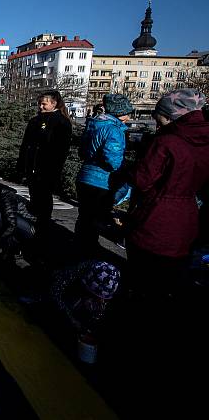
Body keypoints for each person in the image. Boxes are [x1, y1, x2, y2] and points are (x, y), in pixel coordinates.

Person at [125, 89, 209, 300]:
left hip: (155, 218)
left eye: (159, 119)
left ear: (172, 116)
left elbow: (142, 180)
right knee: (168, 284)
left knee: (141, 283)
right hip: (188, 219)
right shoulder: (204, 142)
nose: (158, 125)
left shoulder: (166, 142)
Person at [74, 94, 132, 254]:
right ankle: (88, 252)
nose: (129, 117)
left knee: (85, 216)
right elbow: (112, 160)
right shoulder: (114, 129)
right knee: (95, 219)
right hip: (101, 180)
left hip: (85, 175)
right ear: (120, 112)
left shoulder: (94, 124)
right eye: (128, 112)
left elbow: (82, 151)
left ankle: (80, 246)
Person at [17, 91, 73, 234]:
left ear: (53, 104)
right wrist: (22, 164)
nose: (40, 106)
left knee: (44, 199)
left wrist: (53, 169)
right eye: (39, 103)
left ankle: (43, 227)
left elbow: (61, 150)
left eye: (44, 104)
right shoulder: (35, 121)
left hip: (47, 168)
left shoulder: (61, 122)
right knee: (34, 196)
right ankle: (31, 224)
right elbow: (26, 144)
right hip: (32, 166)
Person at [50, 260, 120, 338]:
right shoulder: (75, 272)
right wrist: (71, 319)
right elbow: (54, 293)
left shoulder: (110, 285)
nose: (101, 301)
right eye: (96, 297)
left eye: (104, 299)